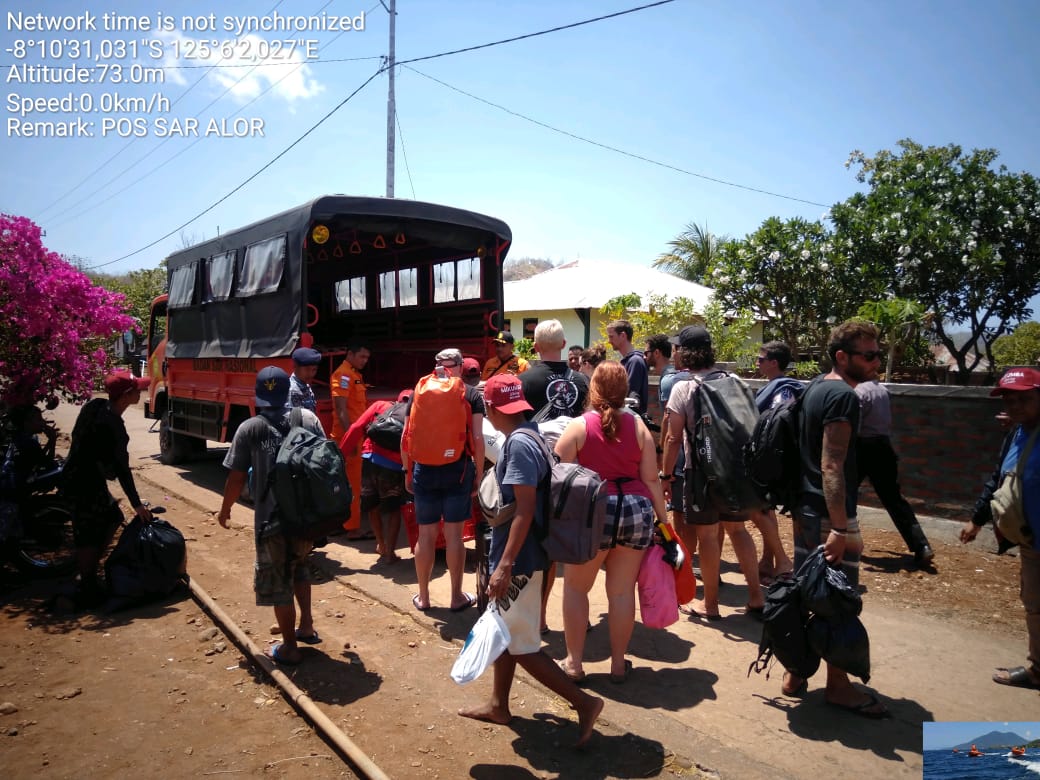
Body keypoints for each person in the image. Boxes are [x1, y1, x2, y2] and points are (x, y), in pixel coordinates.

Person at [458, 374, 603, 746]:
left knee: (522, 645)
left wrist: (503, 566)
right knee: (506, 632)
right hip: (527, 553)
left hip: (519, 559)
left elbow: (523, 510)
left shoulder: (519, 446)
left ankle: (584, 703)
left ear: (488, 408)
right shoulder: (532, 432)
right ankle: (498, 704)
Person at [780, 320, 890, 717]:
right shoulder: (842, 397)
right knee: (839, 600)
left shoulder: (813, 388)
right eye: (869, 354)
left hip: (805, 510)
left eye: (878, 352)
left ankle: (795, 674)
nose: (877, 360)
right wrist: (841, 528)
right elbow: (832, 466)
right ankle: (839, 687)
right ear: (842, 356)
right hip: (830, 515)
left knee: (808, 591)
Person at [555, 361, 668, 683]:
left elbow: (558, 472)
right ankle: (618, 664)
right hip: (635, 511)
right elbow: (651, 479)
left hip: (594, 512)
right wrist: (663, 522)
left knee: (576, 589)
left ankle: (575, 663)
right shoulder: (639, 427)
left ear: (593, 388)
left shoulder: (579, 426)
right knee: (621, 593)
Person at [218, 366, 326, 665]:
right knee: (300, 568)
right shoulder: (307, 419)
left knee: (279, 582)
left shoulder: (251, 428)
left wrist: (225, 509)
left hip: (272, 520)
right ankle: (306, 625)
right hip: (306, 519)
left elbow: (237, 476)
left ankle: (289, 646)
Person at [661, 326, 765, 620]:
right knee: (738, 530)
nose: (675, 352)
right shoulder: (734, 380)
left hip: (701, 473)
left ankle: (710, 603)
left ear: (685, 351)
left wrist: (666, 475)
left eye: (678, 348)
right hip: (735, 471)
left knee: (707, 536)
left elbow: (672, 438)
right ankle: (757, 596)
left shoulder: (685, 387)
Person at [961, 366, 1040, 692]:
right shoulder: (1016, 434)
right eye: (1009, 398)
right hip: (1031, 542)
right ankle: (1038, 669)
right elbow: (997, 479)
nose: (1014, 404)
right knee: (1034, 604)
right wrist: (977, 520)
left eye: (1024, 398)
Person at [61, 370, 154, 607]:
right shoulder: (114, 427)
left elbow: (79, 437)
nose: (141, 392)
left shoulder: (95, 406)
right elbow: (122, 470)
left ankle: (88, 572)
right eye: (137, 390)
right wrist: (137, 504)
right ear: (126, 395)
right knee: (88, 532)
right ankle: (86, 583)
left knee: (110, 517)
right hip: (85, 484)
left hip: (74, 475)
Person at [402, 348, 485, 612]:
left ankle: (424, 597)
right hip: (457, 470)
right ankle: (456, 597)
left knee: (426, 535)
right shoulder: (470, 393)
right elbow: (479, 439)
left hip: (424, 470)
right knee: (454, 536)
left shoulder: (420, 390)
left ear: (436, 365)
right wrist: (479, 474)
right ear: (459, 366)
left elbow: (406, 436)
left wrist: (408, 470)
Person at [856, 379, 934, 566]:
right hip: (884, 447)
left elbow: (854, 427)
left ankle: (845, 543)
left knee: (844, 496)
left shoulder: (857, 392)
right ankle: (921, 545)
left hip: (861, 447)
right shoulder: (881, 390)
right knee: (893, 499)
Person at [341, 390, 411, 565]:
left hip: (369, 461)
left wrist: (341, 454)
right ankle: (391, 554)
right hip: (393, 467)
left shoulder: (380, 405)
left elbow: (357, 427)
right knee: (394, 510)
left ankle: (381, 544)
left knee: (373, 506)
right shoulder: (413, 414)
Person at [750, 341, 798, 583]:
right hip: (773, 458)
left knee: (757, 509)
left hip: (773, 460)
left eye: (761, 359)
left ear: (774, 363)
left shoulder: (783, 391)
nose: (757, 363)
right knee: (765, 510)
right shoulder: (775, 387)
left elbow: (778, 424)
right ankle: (767, 562)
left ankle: (781, 561)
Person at [331, 343, 371, 537]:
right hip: (348, 437)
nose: (364, 361)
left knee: (345, 482)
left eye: (367, 358)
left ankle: (342, 523)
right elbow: (341, 410)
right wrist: (350, 439)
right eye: (361, 356)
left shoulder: (352, 373)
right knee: (352, 483)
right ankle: (352, 528)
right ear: (350, 354)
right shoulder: (344, 375)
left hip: (353, 435)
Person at [521, 319, 589, 420]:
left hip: (535, 435)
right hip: (575, 435)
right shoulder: (584, 381)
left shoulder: (522, 381)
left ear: (535, 347)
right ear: (564, 344)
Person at [607, 320, 648, 416]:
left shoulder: (635, 361)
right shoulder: (627, 362)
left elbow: (630, 395)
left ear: (623, 336)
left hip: (631, 420)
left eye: (611, 336)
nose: (609, 341)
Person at [289, 347, 321, 413]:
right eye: (307, 369)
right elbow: (295, 421)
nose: (310, 374)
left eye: (314, 370)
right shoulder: (292, 390)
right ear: (295, 366)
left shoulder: (305, 385)